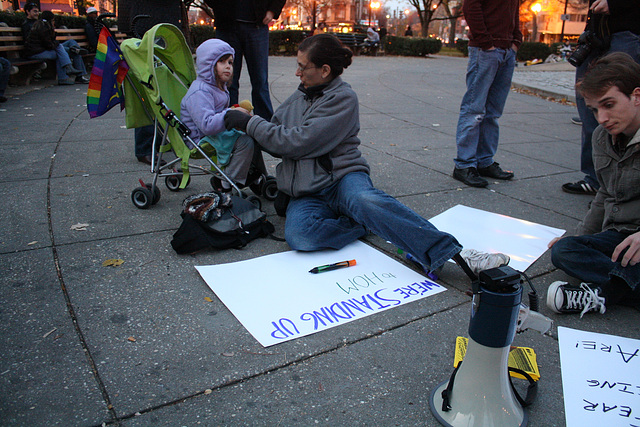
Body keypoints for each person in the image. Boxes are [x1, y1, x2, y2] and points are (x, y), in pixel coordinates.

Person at [223, 34, 509, 278]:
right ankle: (362, 222)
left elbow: (297, 143)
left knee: (364, 199)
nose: (297, 73)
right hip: (307, 191)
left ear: (324, 70)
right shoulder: (299, 96)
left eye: (302, 67)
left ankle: (453, 253)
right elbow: (276, 138)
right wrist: (250, 123)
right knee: (300, 236)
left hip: (342, 178)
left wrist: (250, 123)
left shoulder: (342, 99)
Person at [547, 52, 640, 317]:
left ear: (636, 96)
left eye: (609, 105)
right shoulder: (602, 137)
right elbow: (604, 193)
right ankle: (625, 287)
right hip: (619, 235)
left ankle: (602, 295)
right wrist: (580, 237)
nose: (602, 118)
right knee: (564, 250)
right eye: (595, 109)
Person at [562, 0, 640, 195]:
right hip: (597, 32)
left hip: (626, 30)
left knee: (619, 103)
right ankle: (597, 179)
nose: (602, 118)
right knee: (591, 104)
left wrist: (614, 5)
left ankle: (620, 184)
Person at [452, 0, 522, 188]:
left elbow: (514, 10)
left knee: (493, 113)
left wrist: (516, 41)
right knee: (474, 109)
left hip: (506, 50)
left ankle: (484, 161)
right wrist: (486, 42)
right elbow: (471, 7)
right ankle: (464, 164)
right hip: (486, 50)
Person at [180, 39, 258, 191]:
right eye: (222, 62)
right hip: (200, 138)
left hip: (215, 133)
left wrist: (234, 114)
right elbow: (207, 125)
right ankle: (226, 182)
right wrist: (231, 114)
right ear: (208, 64)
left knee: (254, 133)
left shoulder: (218, 87)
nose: (228, 66)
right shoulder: (200, 91)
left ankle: (254, 174)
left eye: (230, 62)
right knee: (246, 142)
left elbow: (219, 115)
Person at [205, 0, 286, 121]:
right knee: (227, 79)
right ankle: (226, 121)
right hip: (227, 25)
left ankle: (264, 125)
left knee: (260, 80)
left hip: (257, 25)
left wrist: (272, 10)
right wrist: (219, 7)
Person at [23, 10, 88, 85]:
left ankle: (74, 52)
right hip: (36, 52)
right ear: (50, 20)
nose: (54, 22)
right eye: (53, 20)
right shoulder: (42, 27)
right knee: (60, 51)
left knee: (70, 43)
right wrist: (55, 42)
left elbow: (49, 43)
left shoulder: (43, 25)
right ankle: (65, 75)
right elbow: (48, 44)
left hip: (44, 49)